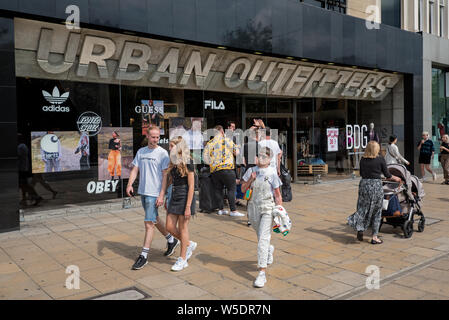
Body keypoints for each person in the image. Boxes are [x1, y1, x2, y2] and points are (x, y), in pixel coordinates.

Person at [127, 126, 179, 270]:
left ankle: (143, 256)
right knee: (154, 219)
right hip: (143, 191)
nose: (155, 139)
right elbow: (135, 169)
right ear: (147, 136)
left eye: (157, 137)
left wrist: (162, 194)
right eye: (153, 137)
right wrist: (130, 184)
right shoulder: (141, 151)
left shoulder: (162, 153)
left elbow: (165, 176)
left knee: (149, 223)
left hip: (154, 193)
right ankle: (171, 240)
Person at [241, 147, 283, 288]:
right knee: (261, 236)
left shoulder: (271, 173)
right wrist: (250, 180)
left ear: (269, 159)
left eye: (264, 156)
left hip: (268, 208)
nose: (261, 158)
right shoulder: (250, 171)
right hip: (253, 208)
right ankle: (269, 249)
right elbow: (242, 190)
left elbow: (277, 195)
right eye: (259, 156)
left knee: (263, 239)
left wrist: (279, 211)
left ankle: (262, 273)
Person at [347, 141, 402, 244]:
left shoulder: (362, 159)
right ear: (377, 149)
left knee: (362, 208)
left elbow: (362, 173)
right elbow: (387, 175)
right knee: (377, 212)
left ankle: (360, 229)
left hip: (364, 185)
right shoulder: (380, 159)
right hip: (376, 186)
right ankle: (374, 237)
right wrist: (397, 178)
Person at [161, 136, 197, 271]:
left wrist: (188, 206)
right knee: (169, 226)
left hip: (185, 195)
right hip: (174, 194)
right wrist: (166, 197)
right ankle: (188, 243)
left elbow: (192, 186)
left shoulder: (188, 161)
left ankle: (182, 259)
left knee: (183, 228)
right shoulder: (173, 161)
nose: (169, 148)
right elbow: (171, 181)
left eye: (171, 146)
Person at [203, 125, 244, 217]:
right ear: (222, 132)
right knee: (231, 189)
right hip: (227, 168)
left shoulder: (210, 143)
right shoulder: (227, 140)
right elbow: (237, 152)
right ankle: (233, 210)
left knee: (218, 189)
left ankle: (221, 209)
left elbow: (205, 159)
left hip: (215, 170)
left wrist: (213, 162)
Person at [18, 134, 42, 206]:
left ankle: (36, 197)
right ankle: (26, 198)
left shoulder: (20, 146)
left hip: (22, 169)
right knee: (23, 185)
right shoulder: (23, 146)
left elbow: (18, 156)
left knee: (25, 185)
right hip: (23, 168)